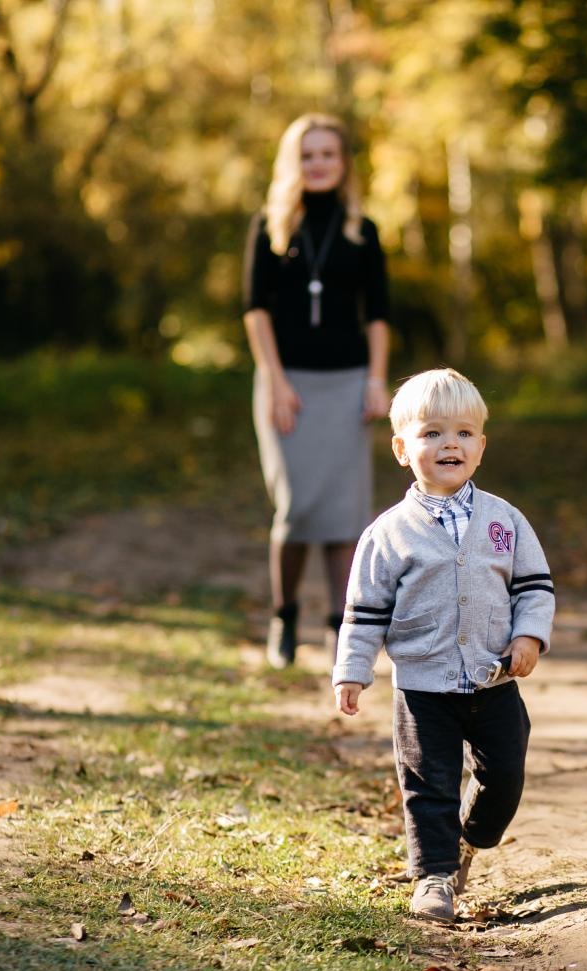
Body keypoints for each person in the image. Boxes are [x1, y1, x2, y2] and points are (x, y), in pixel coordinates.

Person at [331, 369, 555, 924]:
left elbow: (533, 588)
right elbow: (364, 611)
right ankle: (433, 877)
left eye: (462, 432)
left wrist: (528, 636)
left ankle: (469, 841)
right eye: (431, 433)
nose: (448, 443)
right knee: (428, 787)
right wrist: (352, 671)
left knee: (504, 776)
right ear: (402, 449)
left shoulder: (506, 520)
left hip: (494, 680)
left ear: (480, 446)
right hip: (423, 690)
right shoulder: (388, 534)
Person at [243, 113, 391, 669]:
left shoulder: (363, 230)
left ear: (343, 162)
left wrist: (377, 380)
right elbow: (255, 310)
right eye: (308, 155)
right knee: (297, 505)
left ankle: (339, 628)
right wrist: (277, 382)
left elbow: (378, 314)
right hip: (288, 385)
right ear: (293, 163)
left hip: (348, 381)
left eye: (328, 153)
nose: (319, 163)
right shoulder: (269, 226)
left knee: (344, 512)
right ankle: (283, 617)